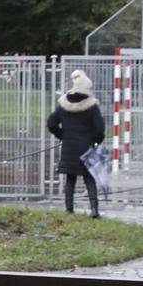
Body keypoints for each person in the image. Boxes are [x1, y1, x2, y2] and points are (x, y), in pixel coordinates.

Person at [46, 69, 107, 217]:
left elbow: (51, 123)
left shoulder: (63, 104)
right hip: (86, 147)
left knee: (70, 179)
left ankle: (69, 208)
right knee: (89, 178)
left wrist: (62, 135)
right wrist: (95, 141)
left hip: (69, 147)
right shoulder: (92, 106)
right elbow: (99, 128)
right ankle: (94, 209)